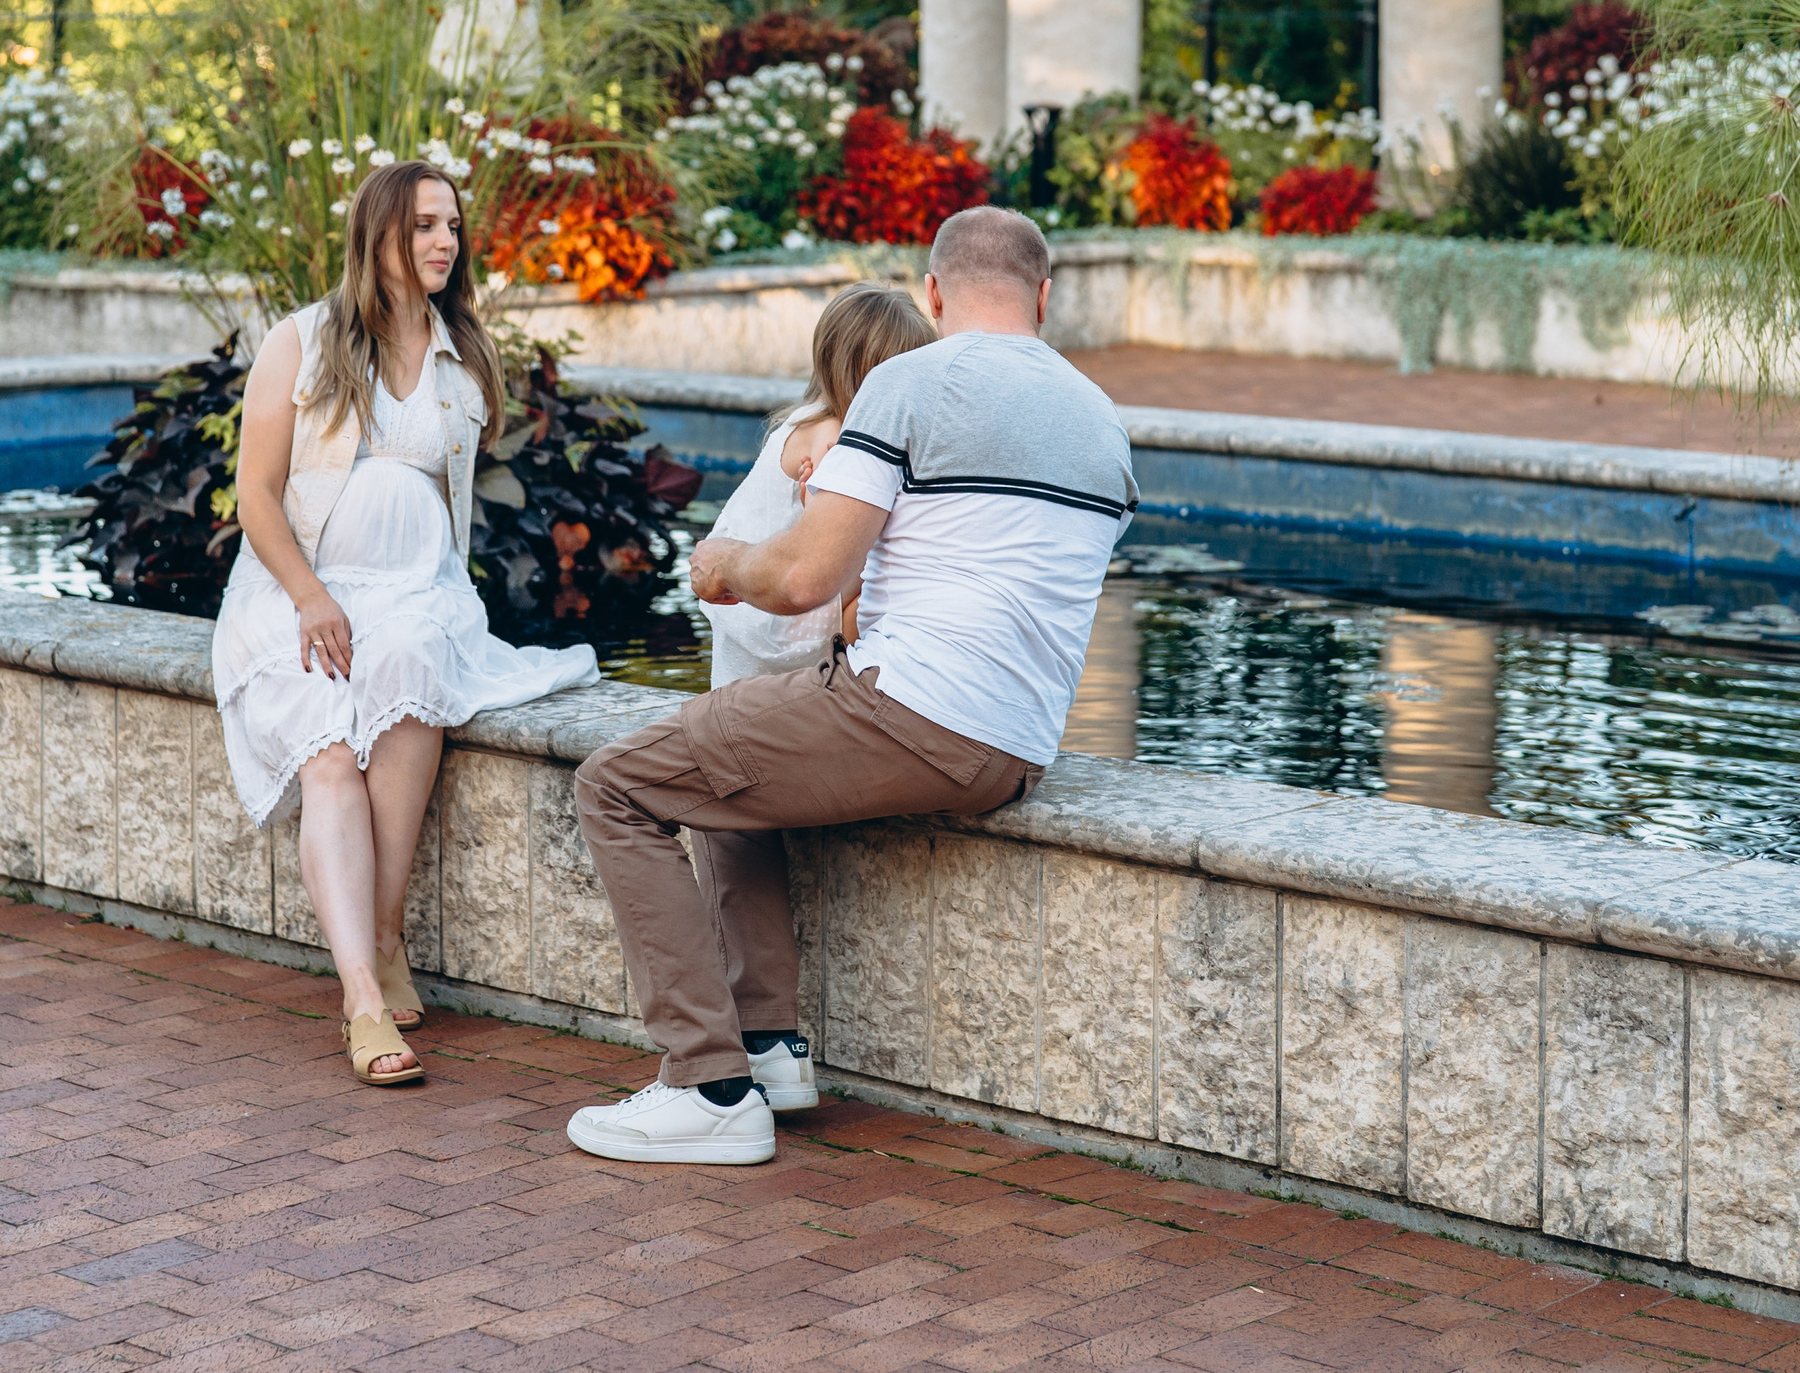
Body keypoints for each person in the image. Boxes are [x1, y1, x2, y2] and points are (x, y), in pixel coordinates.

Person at [564, 207, 1138, 1164]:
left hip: (903, 713)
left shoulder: (909, 383)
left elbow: (803, 577)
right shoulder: (1103, 420)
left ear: (934, 292)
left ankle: (707, 1089)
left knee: (615, 783)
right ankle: (767, 1045)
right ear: (1043, 297)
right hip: (1016, 750)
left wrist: (725, 563)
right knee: (722, 765)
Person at [212, 158, 596, 1088]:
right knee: (330, 755)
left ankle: (384, 935)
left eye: (453, 226)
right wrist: (311, 596)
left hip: (421, 594)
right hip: (299, 593)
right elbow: (255, 494)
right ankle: (363, 998)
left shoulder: (465, 354)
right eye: (425, 224)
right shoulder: (300, 341)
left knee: (416, 676)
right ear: (377, 231)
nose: (444, 241)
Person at [690, 282, 937, 1115]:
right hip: (772, 675)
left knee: (735, 839)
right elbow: (791, 597)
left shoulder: (821, 435)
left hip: (776, 679)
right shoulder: (823, 446)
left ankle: (770, 1039)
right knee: (732, 831)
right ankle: (767, 1041)